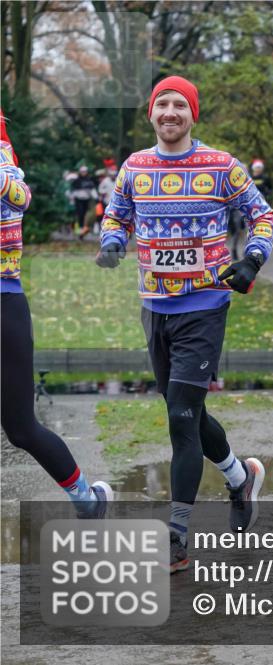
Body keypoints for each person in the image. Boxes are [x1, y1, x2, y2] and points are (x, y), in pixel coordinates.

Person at [95, 76, 272, 573]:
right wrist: (112, 242)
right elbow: (117, 216)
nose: (170, 112)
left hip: (205, 303)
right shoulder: (135, 166)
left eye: (180, 105)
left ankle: (177, 535)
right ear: (151, 114)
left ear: (193, 115)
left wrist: (252, 260)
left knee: (179, 416)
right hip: (155, 305)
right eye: (162, 105)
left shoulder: (221, 166)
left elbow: (262, 215)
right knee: (185, 412)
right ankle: (239, 478)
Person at [1, 111, 113, 518]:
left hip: (3, 301)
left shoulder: (3, 154)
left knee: (20, 427)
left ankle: (87, 500)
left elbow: (20, 197)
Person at [68, 164, 98, 240]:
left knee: (85, 214)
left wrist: (96, 197)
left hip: (86, 200)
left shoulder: (89, 181)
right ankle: (79, 228)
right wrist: (71, 199)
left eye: (85, 172)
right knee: (80, 213)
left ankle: (83, 229)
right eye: (82, 172)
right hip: (78, 200)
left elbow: (92, 190)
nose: (83, 173)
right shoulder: (76, 181)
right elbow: (73, 191)